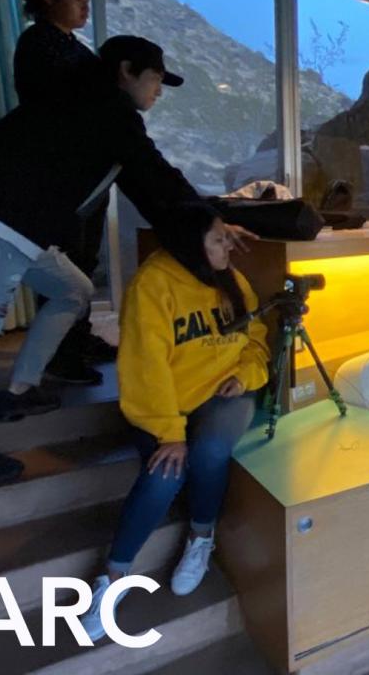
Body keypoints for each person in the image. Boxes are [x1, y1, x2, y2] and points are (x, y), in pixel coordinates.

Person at [0, 35, 207, 482]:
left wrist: (203, 214)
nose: (158, 90)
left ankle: (19, 388)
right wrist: (209, 219)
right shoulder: (104, 107)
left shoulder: (90, 105)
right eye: (154, 78)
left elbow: (148, 180)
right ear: (126, 71)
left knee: (73, 290)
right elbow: (154, 176)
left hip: (15, 229)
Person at [80, 202, 268, 641]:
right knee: (165, 474)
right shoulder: (154, 285)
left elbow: (257, 343)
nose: (229, 246)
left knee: (212, 451)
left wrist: (245, 377)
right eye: (219, 239)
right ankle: (112, 578)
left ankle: (201, 539)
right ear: (190, 245)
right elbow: (146, 370)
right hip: (167, 405)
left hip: (227, 391)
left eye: (228, 238)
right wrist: (169, 433)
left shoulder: (231, 281)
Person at [13, 0, 116, 387]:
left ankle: (79, 337)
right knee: (67, 264)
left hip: (87, 172)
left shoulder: (72, 45)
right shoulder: (39, 44)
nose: (85, 9)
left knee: (85, 261)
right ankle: (60, 352)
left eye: (88, 1)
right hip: (58, 173)